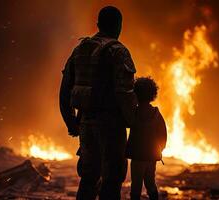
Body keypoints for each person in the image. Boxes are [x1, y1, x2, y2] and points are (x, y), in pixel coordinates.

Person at [59, 6, 137, 200]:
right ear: (119, 26)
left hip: (85, 123)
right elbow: (125, 94)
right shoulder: (119, 52)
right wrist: (135, 124)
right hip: (111, 125)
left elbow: (64, 90)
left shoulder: (80, 50)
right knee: (112, 180)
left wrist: (72, 123)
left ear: (98, 25)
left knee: (88, 178)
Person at [126, 77, 167, 200]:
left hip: (138, 157)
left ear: (135, 94)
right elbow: (163, 135)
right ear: (152, 94)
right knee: (150, 183)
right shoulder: (156, 114)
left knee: (136, 187)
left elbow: (126, 122)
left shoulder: (134, 113)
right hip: (151, 157)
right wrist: (159, 150)